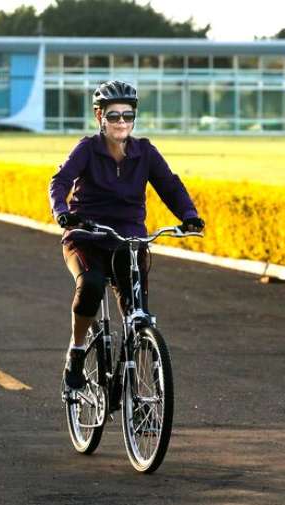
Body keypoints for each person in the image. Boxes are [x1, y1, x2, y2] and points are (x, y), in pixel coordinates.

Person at [49, 80, 205, 391]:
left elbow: (169, 185)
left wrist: (188, 216)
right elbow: (60, 180)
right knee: (91, 284)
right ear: (99, 117)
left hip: (129, 240)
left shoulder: (145, 152)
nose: (122, 122)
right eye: (114, 116)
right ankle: (77, 351)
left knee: (137, 313)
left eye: (128, 116)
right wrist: (62, 212)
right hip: (86, 237)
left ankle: (134, 379)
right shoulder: (87, 149)